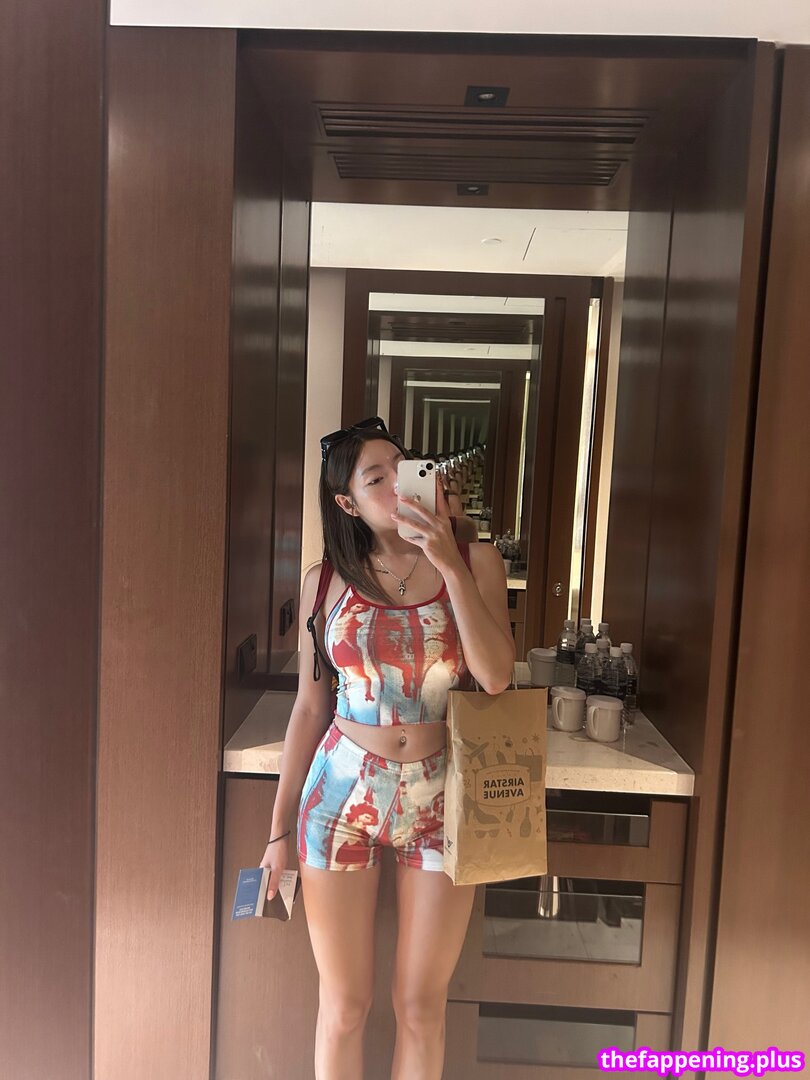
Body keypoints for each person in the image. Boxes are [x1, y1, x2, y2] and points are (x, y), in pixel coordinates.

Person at [260, 416, 514, 1080]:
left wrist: (449, 559)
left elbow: (495, 677)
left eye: (402, 470)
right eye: (376, 478)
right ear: (347, 503)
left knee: (422, 1009)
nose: (397, 486)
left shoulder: (476, 562)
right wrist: (278, 831)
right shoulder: (324, 582)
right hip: (338, 802)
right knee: (345, 1007)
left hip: (442, 801)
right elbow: (309, 709)